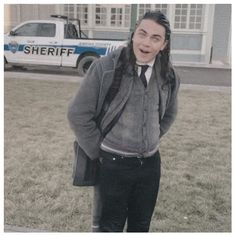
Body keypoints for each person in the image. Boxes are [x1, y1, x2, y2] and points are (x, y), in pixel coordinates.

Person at [67, 10, 180, 232]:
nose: (146, 43)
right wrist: (99, 152)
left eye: (155, 38)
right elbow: (77, 113)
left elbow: (169, 114)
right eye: (142, 34)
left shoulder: (169, 75)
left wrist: (152, 137)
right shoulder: (105, 67)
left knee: (140, 225)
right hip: (112, 164)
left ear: (164, 45)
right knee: (110, 227)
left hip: (150, 166)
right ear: (133, 35)